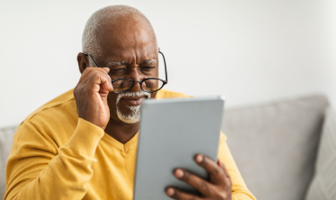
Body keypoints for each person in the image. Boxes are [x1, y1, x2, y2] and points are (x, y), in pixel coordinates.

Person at [4, 5, 256, 200]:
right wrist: (88, 129)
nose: (138, 82)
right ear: (84, 66)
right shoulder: (41, 127)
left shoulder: (191, 115)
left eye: (148, 67)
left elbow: (242, 194)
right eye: (120, 69)